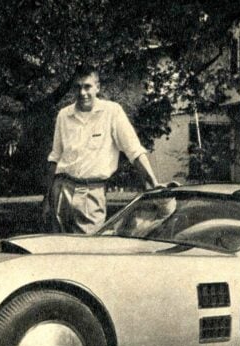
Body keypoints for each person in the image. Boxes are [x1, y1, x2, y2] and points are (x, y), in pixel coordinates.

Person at [45, 65, 160, 233]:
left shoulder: (112, 112)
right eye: (78, 87)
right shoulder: (64, 115)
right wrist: (47, 199)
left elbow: (134, 151)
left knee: (89, 250)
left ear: (97, 87)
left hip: (91, 193)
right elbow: (55, 157)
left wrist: (154, 183)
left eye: (87, 86)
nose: (82, 93)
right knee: (59, 251)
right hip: (61, 191)